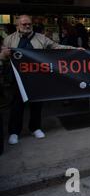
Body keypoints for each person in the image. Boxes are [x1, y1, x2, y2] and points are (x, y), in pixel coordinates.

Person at [1, 15, 82, 145]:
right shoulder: (9, 39)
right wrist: (4, 55)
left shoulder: (41, 38)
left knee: (37, 104)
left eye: (29, 24)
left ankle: (35, 128)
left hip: (36, 77)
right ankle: (14, 132)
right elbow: (2, 57)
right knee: (17, 105)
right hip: (18, 78)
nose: (27, 26)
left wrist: (75, 49)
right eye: (24, 24)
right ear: (18, 26)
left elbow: (57, 47)